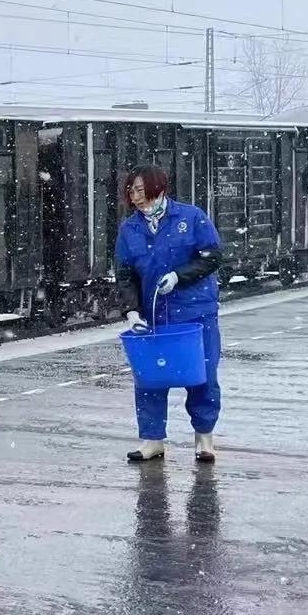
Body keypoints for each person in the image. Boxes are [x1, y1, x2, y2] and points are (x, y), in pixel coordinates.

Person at [114, 165, 224, 464]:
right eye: (131, 191)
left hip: (195, 313)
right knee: (150, 378)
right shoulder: (130, 229)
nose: (135, 197)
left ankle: (204, 438)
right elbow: (125, 274)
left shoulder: (191, 217)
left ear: (158, 188)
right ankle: (152, 440)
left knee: (202, 375)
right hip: (153, 314)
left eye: (140, 189)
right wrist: (132, 311)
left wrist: (179, 276)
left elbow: (212, 257)